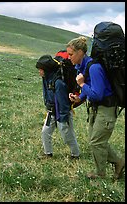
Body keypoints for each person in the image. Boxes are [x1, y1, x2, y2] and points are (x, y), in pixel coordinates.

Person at [66, 36, 125, 179]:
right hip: (97, 109)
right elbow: (92, 90)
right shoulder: (84, 66)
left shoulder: (94, 68)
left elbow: (97, 94)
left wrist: (81, 85)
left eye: (71, 54)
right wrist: (79, 98)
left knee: (96, 141)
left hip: (106, 109)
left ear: (80, 52)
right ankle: (119, 162)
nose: (69, 58)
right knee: (96, 141)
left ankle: (100, 174)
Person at [36, 54, 80, 159]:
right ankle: (48, 153)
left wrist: (64, 118)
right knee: (45, 132)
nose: (39, 72)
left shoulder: (59, 83)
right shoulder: (46, 78)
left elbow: (63, 103)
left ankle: (75, 154)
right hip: (52, 111)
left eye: (41, 69)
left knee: (67, 134)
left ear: (46, 70)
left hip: (61, 112)